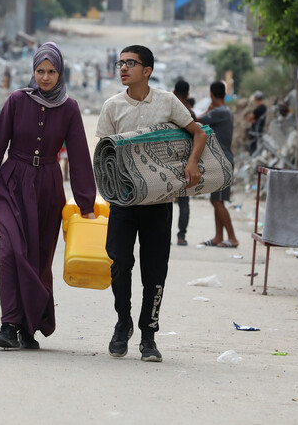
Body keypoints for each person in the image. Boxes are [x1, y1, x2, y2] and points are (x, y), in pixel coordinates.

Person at [0, 42, 96, 350]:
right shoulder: (15, 101)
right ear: (32, 71)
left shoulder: (69, 108)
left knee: (38, 259)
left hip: (49, 188)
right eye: (40, 71)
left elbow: (78, 158)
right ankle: (9, 324)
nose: (45, 78)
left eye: (51, 72)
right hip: (12, 183)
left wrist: (86, 205)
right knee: (11, 252)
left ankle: (29, 326)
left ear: (60, 73)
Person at [97, 45, 207, 363]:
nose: (123, 68)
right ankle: (123, 323)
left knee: (155, 271)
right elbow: (104, 152)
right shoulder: (112, 107)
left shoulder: (167, 102)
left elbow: (197, 133)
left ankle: (148, 336)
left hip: (159, 201)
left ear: (147, 70)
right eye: (120, 63)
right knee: (119, 263)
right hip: (123, 200)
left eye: (130, 63)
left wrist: (193, 163)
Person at [197, 81, 238, 249]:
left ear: (212, 95)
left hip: (223, 162)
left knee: (218, 202)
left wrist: (209, 108)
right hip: (220, 160)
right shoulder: (224, 111)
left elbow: (197, 120)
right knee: (216, 200)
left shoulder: (219, 112)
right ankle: (218, 236)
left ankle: (233, 238)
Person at [172, 79, 196, 246]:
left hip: (169, 161)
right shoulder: (191, 114)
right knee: (184, 202)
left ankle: (164, 235)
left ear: (174, 92)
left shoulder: (169, 112)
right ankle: (181, 236)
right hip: (187, 162)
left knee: (164, 202)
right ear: (188, 95)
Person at [246, 91, 267, 155]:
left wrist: (253, 120)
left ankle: (252, 160)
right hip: (259, 129)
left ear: (255, 98)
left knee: (253, 148)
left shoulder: (259, 108)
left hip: (255, 131)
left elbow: (249, 118)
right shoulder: (264, 107)